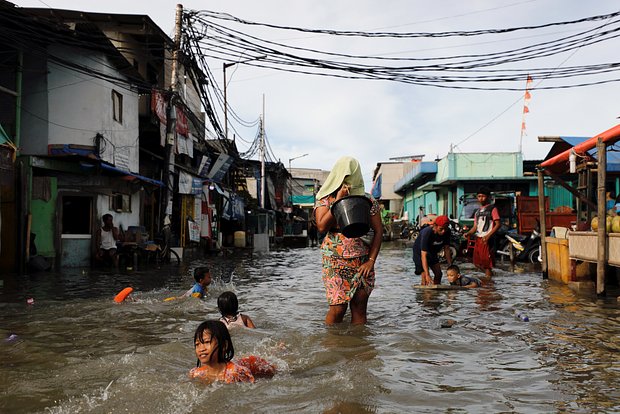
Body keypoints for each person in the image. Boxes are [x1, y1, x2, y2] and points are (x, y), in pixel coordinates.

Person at [314, 156, 382, 325]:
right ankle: (331, 347)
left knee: (359, 307)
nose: (348, 181)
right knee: (338, 309)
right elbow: (322, 226)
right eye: (344, 177)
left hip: (362, 261)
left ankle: (357, 349)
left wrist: (371, 261)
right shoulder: (325, 198)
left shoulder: (367, 200)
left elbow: (379, 231)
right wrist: (338, 200)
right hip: (334, 261)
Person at [189, 320, 275, 383]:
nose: (201, 348)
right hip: (240, 362)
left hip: (253, 363)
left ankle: (275, 350)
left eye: (207, 342)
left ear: (224, 346)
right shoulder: (196, 374)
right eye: (197, 344)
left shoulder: (236, 373)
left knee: (274, 370)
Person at [464, 186, 501, 278]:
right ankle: (490, 277)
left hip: (487, 239)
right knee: (477, 263)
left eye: (483, 196)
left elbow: (498, 224)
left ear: (488, 197)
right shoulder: (477, 212)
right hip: (479, 238)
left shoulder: (492, 209)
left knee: (487, 264)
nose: (481, 198)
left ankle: (489, 285)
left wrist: (488, 236)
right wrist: (469, 233)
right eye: (479, 196)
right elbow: (475, 226)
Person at [412, 215, 453, 285]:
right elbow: (423, 255)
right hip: (420, 253)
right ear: (435, 226)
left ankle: (435, 294)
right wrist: (427, 274)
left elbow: (447, 249)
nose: (443, 231)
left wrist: (450, 266)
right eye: (441, 229)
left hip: (432, 252)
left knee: (439, 274)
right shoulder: (427, 233)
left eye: (445, 229)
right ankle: (424, 293)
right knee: (425, 278)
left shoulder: (447, 232)